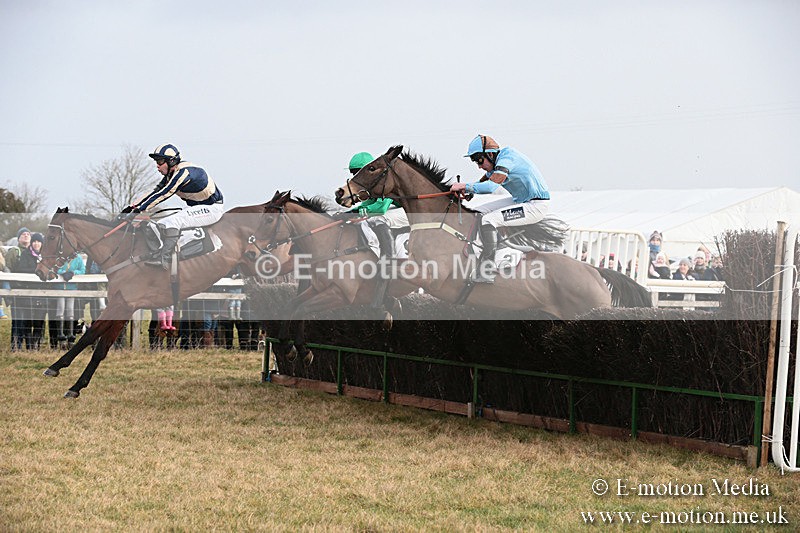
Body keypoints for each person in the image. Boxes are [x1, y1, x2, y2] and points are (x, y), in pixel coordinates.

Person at [450, 134, 550, 283]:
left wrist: (465, 186)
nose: (478, 165)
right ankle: (483, 250)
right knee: (477, 213)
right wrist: (470, 191)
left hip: (535, 206)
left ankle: (488, 267)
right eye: (475, 161)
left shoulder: (507, 160)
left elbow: (490, 186)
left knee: (489, 220)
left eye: (479, 160)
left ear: (490, 154)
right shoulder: (496, 161)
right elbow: (484, 180)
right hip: (521, 201)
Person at [119, 143, 224, 269]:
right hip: (197, 208)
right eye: (156, 162)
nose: (157, 166)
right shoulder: (171, 174)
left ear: (171, 161)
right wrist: (132, 207)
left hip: (212, 209)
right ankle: (156, 253)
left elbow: (165, 193)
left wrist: (139, 211)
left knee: (173, 222)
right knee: (156, 225)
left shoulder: (183, 173)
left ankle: (165, 259)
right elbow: (154, 192)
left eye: (160, 161)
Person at [346, 151, 409, 307]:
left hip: (407, 214)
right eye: (354, 173)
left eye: (358, 172)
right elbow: (366, 206)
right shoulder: (369, 190)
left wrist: (356, 213)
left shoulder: (383, 183)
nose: (356, 177)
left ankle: (386, 261)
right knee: (363, 221)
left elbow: (381, 208)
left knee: (375, 219)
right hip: (389, 216)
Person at [6, 227, 37, 350]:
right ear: (18, 238)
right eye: (23, 234)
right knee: (18, 319)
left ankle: (29, 345)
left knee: (28, 320)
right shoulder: (14, 251)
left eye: (28, 234)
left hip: (31, 291)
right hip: (17, 291)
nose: (26, 235)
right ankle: (16, 345)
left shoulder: (34, 252)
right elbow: (8, 269)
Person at [55, 252, 86, 347]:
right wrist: (63, 272)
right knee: (60, 310)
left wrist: (73, 273)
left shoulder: (78, 258)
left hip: (72, 287)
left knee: (70, 310)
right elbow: (55, 268)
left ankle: (70, 336)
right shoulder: (60, 257)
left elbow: (82, 270)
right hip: (60, 287)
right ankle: (61, 336)